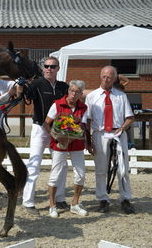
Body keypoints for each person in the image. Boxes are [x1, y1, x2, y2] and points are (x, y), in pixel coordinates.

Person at [21, 56, 69, 215]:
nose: (49, 69)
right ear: (43, 68)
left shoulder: (64, 87)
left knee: (60, 164)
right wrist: (21, 86)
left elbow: (75, 98)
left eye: (53, 66)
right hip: (40, 128)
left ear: (58, 68)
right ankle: (28, 202)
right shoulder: (37, 84)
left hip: (59, 129)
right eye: (47, 66)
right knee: (34, 164)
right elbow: (25, 95)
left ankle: (60, 198)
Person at [85, 66, 135, 214]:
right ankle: (103, 199)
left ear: (114, 79)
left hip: (118, 133)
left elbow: (130, 117)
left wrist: (123, 128)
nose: (106, 80)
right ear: (100, 76)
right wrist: (88, 140)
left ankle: (125, 199)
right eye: (104, 77)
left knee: (123, 168)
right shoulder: (92, 96)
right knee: (101, 168)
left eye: (110, 78)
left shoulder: (121, 96)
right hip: (100, 134)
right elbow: (86, 120)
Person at [43, 80, 90, 218]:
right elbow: (46, 123)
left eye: (77, 92)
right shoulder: (57, 104)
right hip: (59, 143)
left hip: (76, 144)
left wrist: (80, 126)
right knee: (55, 175)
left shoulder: (84, 108)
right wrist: (56, 137)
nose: (73, 94)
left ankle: (75, 204)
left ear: (81, 94)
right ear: (68, 91)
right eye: (72, 91)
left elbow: (84, 127)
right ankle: (52, 205)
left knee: (81, 174)